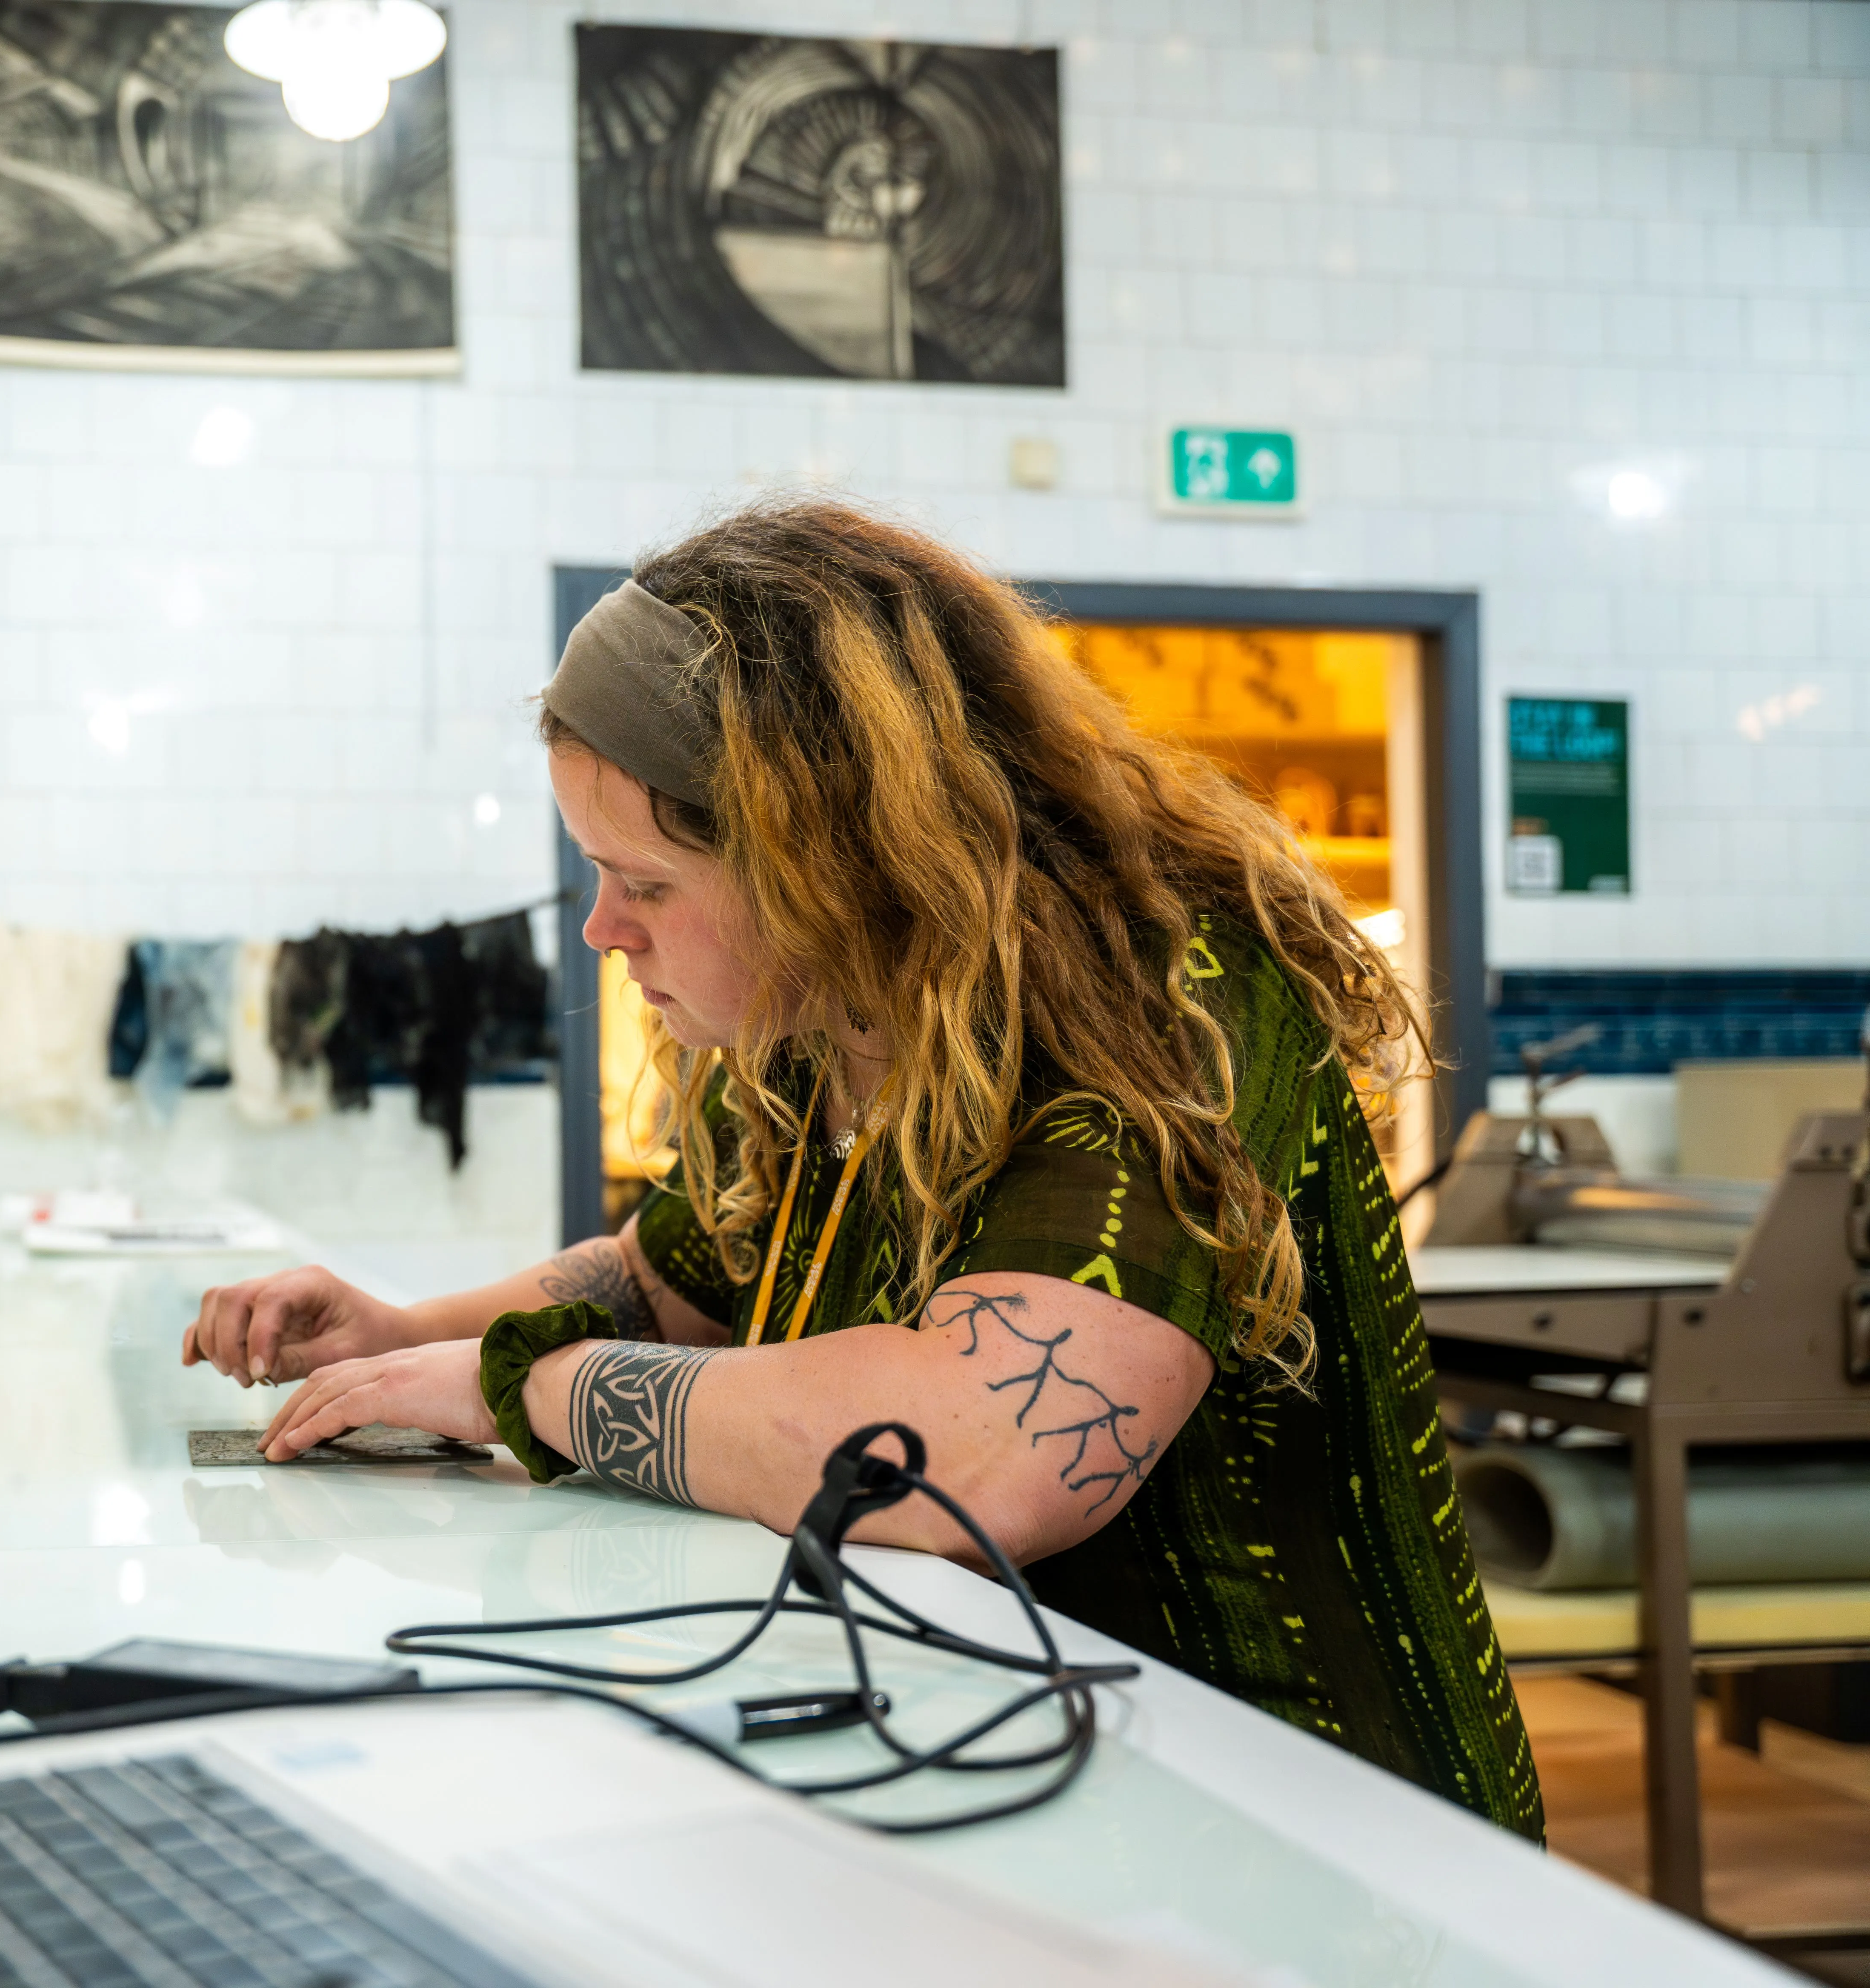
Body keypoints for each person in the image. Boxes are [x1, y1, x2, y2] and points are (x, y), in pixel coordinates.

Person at [183, 499, 1543, 1840]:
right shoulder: (813, 1017)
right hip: (1001, 1763)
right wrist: (404, 1335)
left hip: (1302, 1821)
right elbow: (668, 1287)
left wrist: (523, 1384)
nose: (603, 930)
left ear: (825, 860)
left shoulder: (1168, 992)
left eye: (644, 884)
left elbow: (980, 1451)